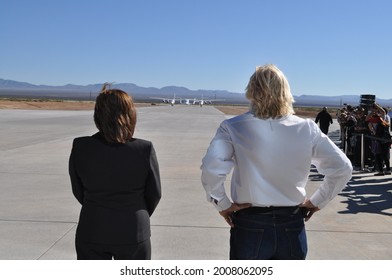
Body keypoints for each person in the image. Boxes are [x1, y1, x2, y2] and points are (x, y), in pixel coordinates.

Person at [200, 64, 352, 260]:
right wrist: (317, 202)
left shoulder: (233, 127)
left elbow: (211, 168)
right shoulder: (307, 128)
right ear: (285, 91)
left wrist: (223, 203)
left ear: (251, 91)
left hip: (250, 224)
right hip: (292, 223)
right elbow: (342, 168)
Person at [69, 83, 161, 260]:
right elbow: (154, 194)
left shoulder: (80, 146)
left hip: (92, 228)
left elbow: (78, 189)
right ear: (129, 115)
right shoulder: (144, 149)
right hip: (133, 230)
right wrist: (134, 211)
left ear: (98, 115)